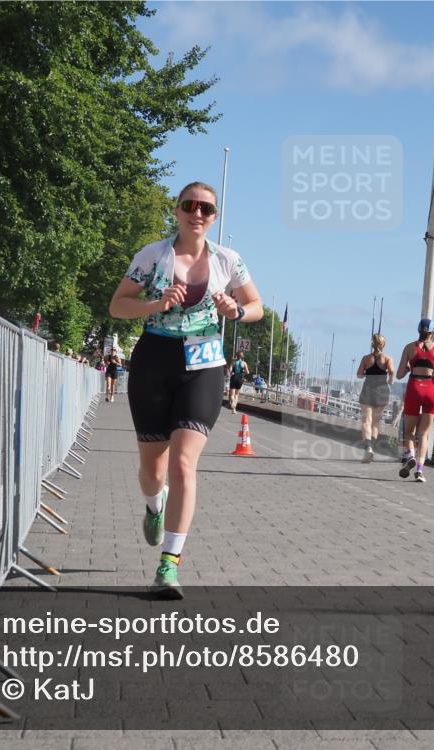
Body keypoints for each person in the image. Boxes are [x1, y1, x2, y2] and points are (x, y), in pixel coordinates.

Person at [109, 181, 262, 598]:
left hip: (205, 365)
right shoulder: (153, 256)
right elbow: (118, 305)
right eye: (189, 205)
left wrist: (238, 310)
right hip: (154, 360)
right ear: (176, 211)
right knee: (153, 472)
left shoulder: (229, 261)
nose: (198, 213)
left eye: (206, 208)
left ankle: (168, 566)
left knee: (183, 464)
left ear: (214, 217)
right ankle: (154, 505)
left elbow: (257, 306)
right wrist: (156, 304)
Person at [395, 318, 434, 483]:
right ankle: (419, 471)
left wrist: (406, 369)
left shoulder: (409, 348)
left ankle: (410, 455)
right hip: (431, 391)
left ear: (418, 330)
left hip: (414, 388)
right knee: (424, 434)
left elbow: (398, 375)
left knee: (409, 432)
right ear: (432, 332)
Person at [356, 333, 394, 463]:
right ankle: (371, 446)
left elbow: (359, 375)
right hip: (382, 392)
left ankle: (368, 448)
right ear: (383, 344)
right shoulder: (387, 359)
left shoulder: (366, 358)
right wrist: (390, 379)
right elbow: (392, 371)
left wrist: (367, 372)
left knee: (366, 421)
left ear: (372, 344)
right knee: (376, 422)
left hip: (368, 390)